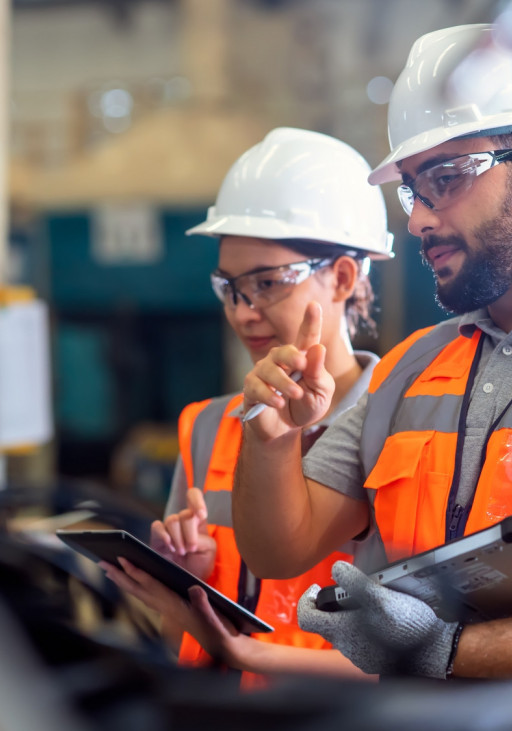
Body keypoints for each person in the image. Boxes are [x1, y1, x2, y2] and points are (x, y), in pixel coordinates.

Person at [232, 24, 512, 680]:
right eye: (412, 189)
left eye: (447, 178)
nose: (419, 219)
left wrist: (441, 650)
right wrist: (268, 438)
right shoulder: (411, 368)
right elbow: (280, 548)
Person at [99, 127, 393, 686]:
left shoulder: (403, 428)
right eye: (230, 287)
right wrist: (187, 584)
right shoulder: (211, 427)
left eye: (267, 283)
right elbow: (180, 642)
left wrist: (248, 654)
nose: (244, 312)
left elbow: (425, 658)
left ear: (343, 278)